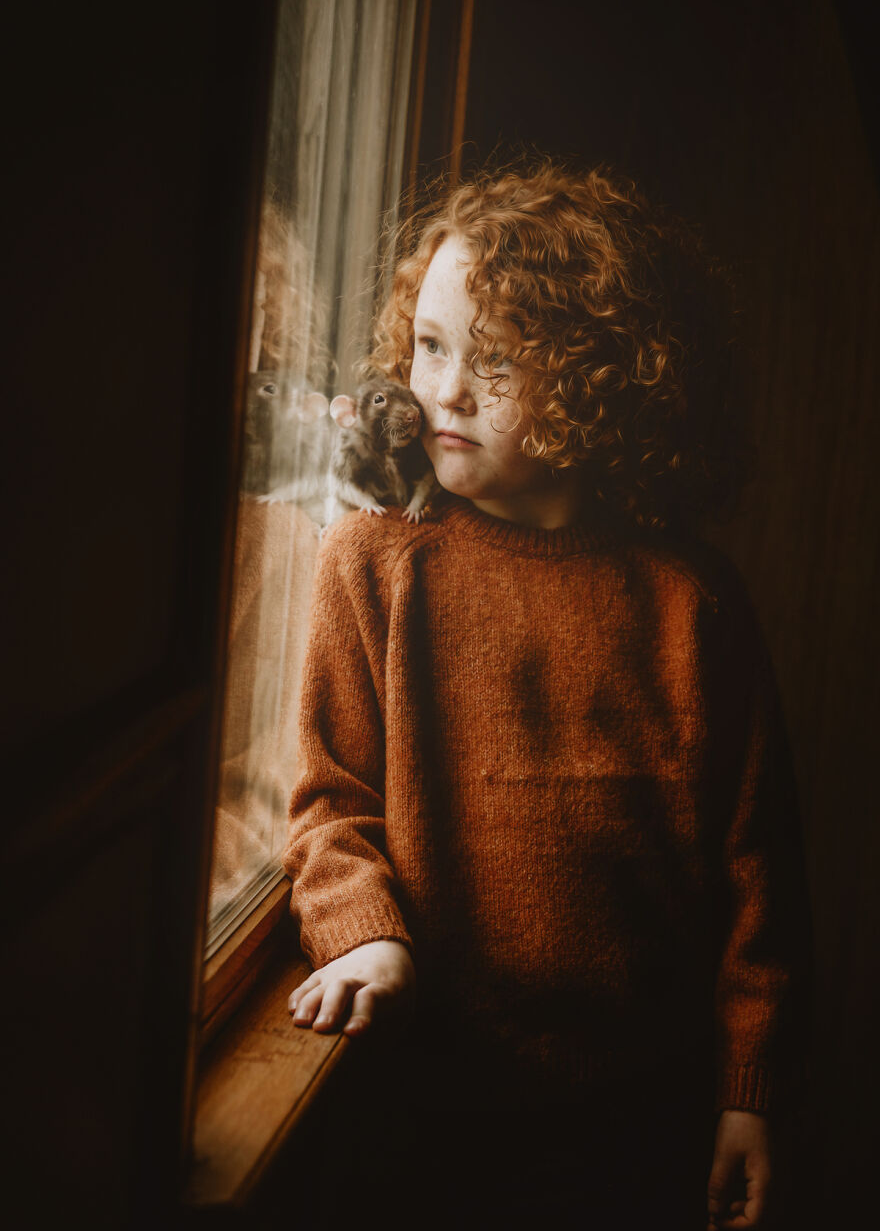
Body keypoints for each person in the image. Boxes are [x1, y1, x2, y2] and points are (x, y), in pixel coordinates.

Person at [282, 161, 811, 1229]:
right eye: (431, 346)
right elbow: (327, 798)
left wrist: (748, 1094)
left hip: (640, 1120)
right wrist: (361, 928)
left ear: (600, 377)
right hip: (421, 1105)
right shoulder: (373, 561)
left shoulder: (691, 602)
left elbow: (759, 878)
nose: (446, 392)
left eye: (500, 361)